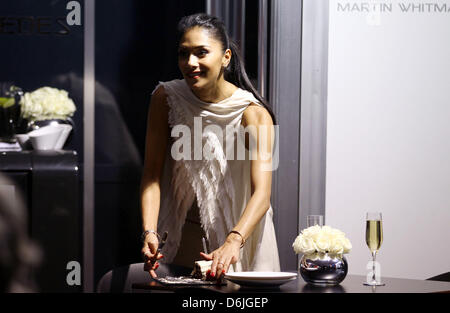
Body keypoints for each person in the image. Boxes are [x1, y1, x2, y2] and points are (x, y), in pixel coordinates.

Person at [140, 13, 280, 280]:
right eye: (184, 54)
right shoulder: (165, 97)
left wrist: (233, 241)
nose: (191, 63)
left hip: (240, 238)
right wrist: (149, 231)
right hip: (181, 236)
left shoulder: (253, 113)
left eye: (202, 53)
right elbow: (151, 175)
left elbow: (262, 195)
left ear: (226, 57)